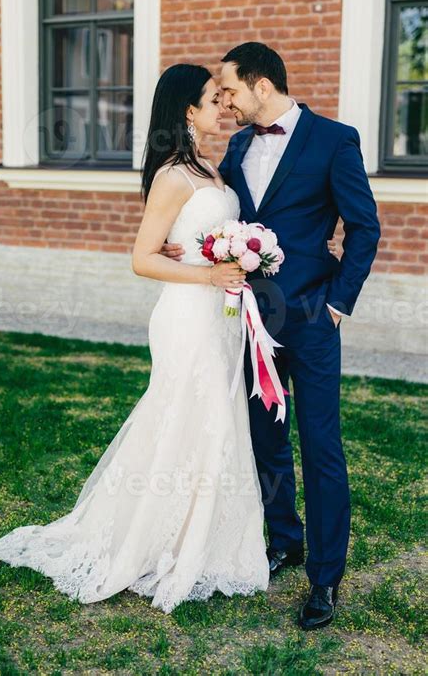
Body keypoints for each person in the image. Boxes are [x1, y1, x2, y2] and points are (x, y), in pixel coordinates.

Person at [0, 64, 271, 615]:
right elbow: (141, 259)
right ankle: (153, 538)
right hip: (189, 313)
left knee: (216, 418)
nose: (224, 108)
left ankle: (202, 536)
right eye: (215, 99)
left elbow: (189, 241)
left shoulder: (210, 169)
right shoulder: (173, 175)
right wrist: (209, 274)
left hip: (222, 314)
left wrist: (234, 257)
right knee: (186, 415)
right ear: (188, 110)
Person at [161, 42, 381, 630]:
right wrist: (184, 245)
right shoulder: (235, 147)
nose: (225, 101)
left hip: (312, 320)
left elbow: (364, 227)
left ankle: (326, 577)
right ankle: (284, 538)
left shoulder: (336, 140)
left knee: (322, 447)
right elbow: (219, 216)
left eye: (230, 89)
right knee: (265, 438)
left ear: (262, 85)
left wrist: (339, 304)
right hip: (250, 321)